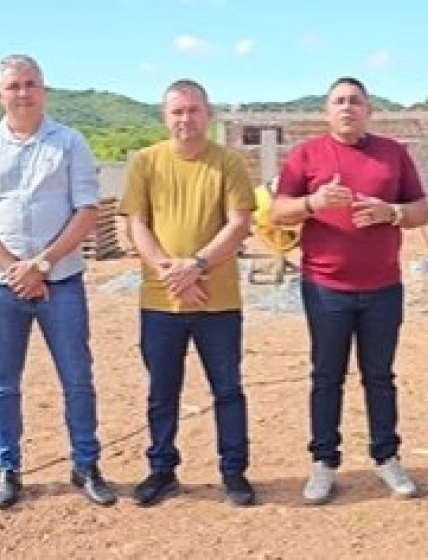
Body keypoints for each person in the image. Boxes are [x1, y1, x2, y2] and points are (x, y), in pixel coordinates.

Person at [0, 54, 116, 509]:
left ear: (44, 89)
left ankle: (86, 464)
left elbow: (87, 212)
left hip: (61, 283)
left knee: (77, 379)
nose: (22, 93)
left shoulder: (70, 143)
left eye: (30, 84)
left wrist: (42, 265)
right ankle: (8, 468)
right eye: (13, 86)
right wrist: (16, 268)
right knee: (3, 382)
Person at [271, 76, 428, 505]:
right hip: (326, 288)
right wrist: (312, 204)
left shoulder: (393, 154)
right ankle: (324, 462)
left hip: (383, 288)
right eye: (339, 101)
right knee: (327, 376)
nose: (347, 108)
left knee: (380, 377)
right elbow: (277, 211)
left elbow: (421, 210)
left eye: (355, 101)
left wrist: (391, 212)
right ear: (327, 112)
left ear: (368, 110)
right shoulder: (306, 155)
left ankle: (387, 457)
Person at [119, 79, 257, 507]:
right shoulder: (146, 163)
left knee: (227, 389)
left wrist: (195, 267)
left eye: (194, 110)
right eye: (177, 111)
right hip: (161, 302)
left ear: (208, 114)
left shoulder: (228, 163)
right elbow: (137, 224)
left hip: (218, 303)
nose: (186, 119)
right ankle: (162, 469)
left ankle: (234, 472)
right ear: (165, 117)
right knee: (162, 390)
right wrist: (170, 272)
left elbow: (238, 225)